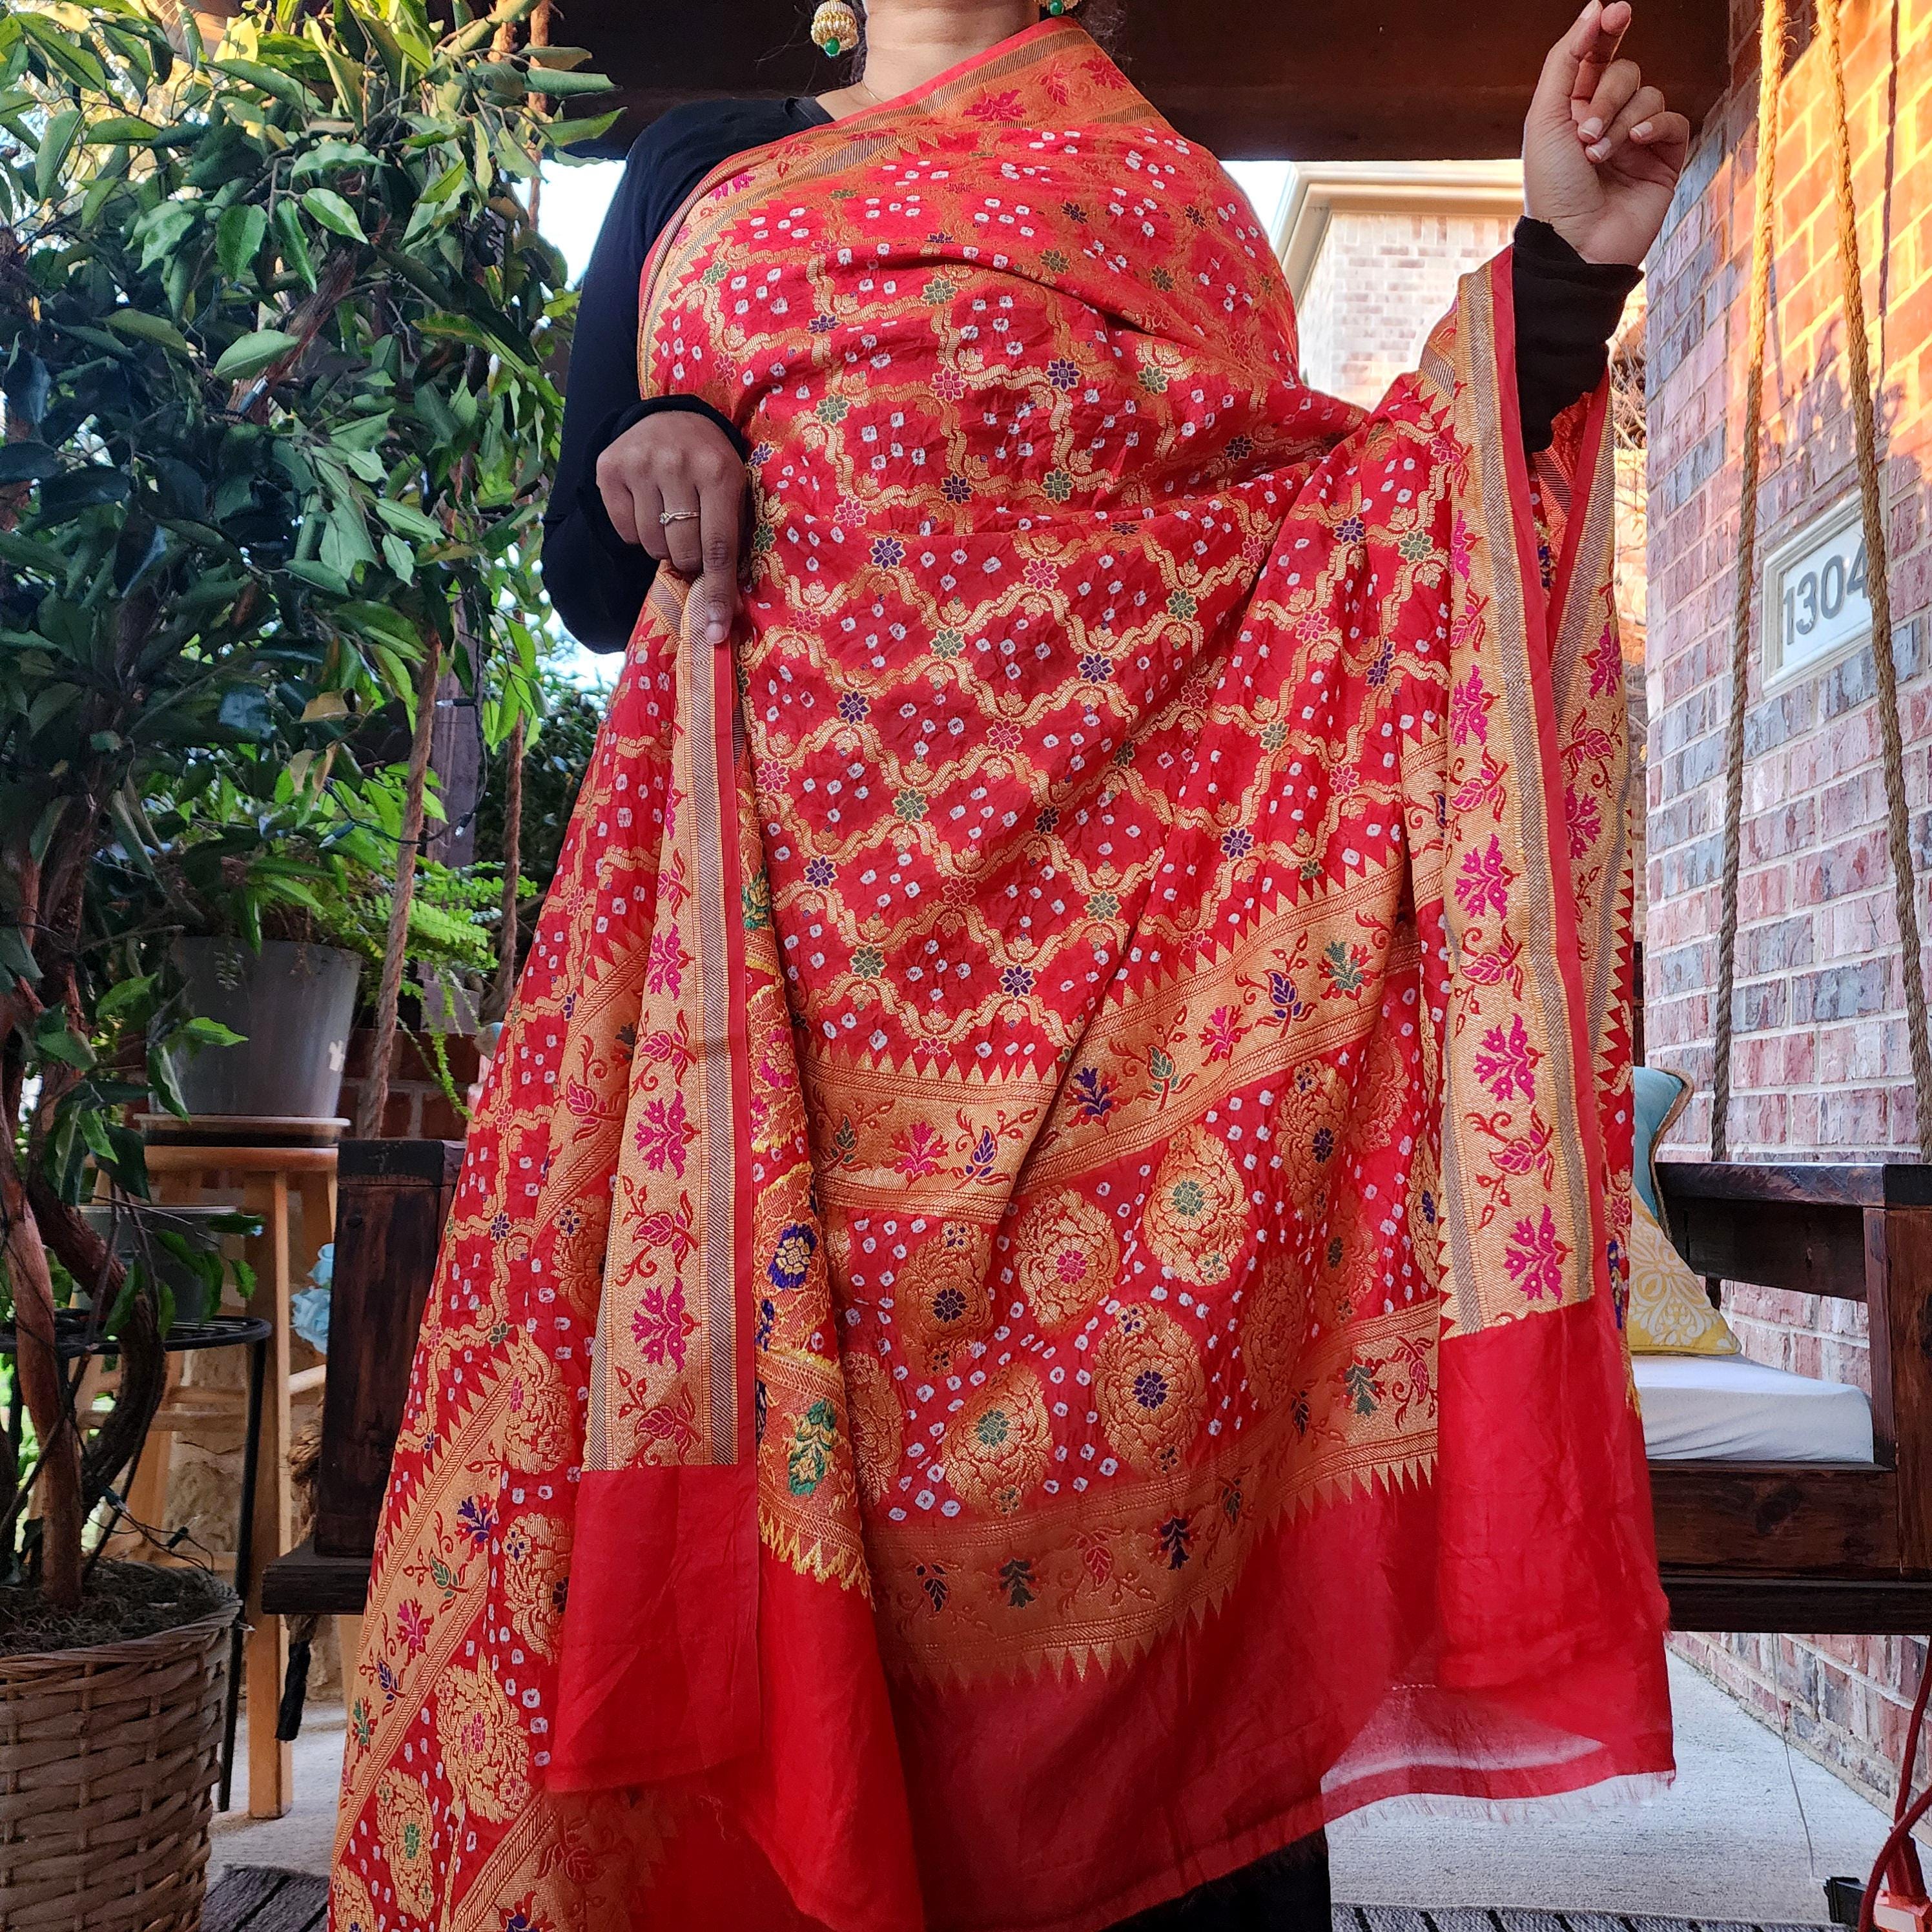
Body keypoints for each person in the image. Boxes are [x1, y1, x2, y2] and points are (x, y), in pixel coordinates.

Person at [334, 6, 1685, 1929]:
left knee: (1158, 1738)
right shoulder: (702, 163)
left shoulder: (1180, 209)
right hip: (769, 1070)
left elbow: (1327, 557)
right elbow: (584, 562)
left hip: (1127, 1162)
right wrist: (668, 430)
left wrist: (1560, 275)